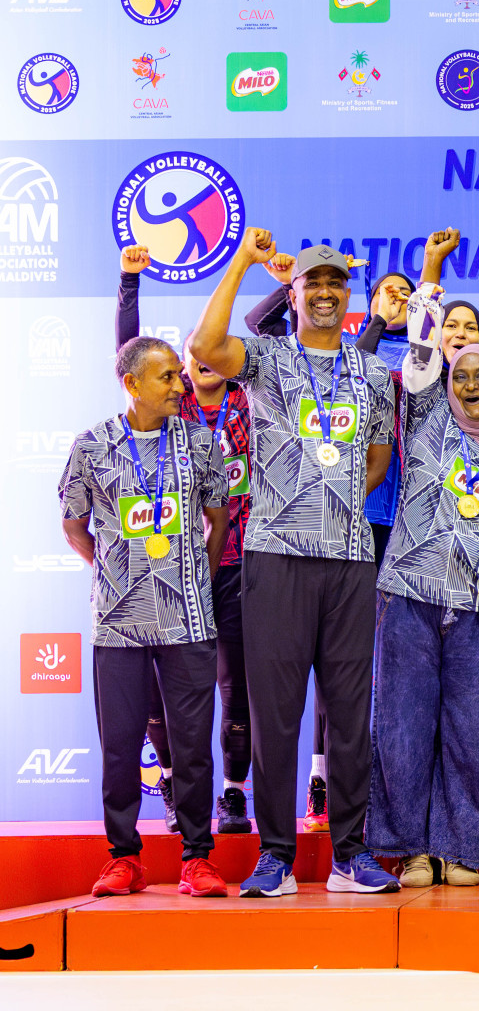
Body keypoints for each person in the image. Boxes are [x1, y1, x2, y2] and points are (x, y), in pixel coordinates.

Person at [190, 229, 400, 898]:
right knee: (275, 714)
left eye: (339, 282)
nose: (329, 292)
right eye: (316, 283)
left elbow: (374, 458)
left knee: (347, 710)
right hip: (275, 558)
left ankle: (349, 852)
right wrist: (242, 261)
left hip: (347, 559)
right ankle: (276, 855)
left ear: (350, 294)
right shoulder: (269, 358)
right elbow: (203, 349)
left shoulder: (372, 372)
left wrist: (330, 499)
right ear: (296, 292)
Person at [61, 335, 231, 898]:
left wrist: (196, 583)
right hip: (117, 623)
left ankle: (197, 857)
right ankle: (123, 857)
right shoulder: (92, 446)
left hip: (187, 621)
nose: (180, 386)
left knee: (190, 743)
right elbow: (73, 525)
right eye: (167, 378)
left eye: (181, 376)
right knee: (120, 743)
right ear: (131, 384)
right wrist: (111, 572)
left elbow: (218, 519)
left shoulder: (202, 442)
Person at [367, 283, 479, 888]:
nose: (473, 385)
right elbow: (424, 350)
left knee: (470, 726)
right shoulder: (426, 414)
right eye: (463, 376)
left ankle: (459, 846)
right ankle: (409, 848)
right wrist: (430, 275)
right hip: (410, 591)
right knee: (402, 723)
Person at [115, 245, 264, 836]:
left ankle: (232, 794)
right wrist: (129, 282)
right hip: (164, 570)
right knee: (156, 694)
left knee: (234, 686)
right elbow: (123, 352)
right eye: (177, 368)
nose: (187, 372)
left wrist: (268, 273)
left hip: (230, 565)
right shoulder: (168, 416)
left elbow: (255, 329)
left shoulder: (249, 404)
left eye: (197, 360)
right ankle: (176, 785)